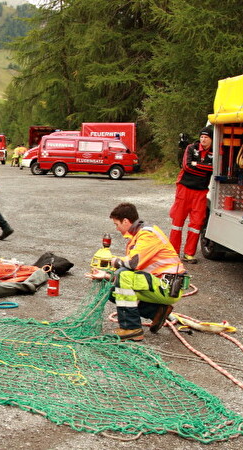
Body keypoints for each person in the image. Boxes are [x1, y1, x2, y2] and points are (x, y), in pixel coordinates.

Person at [86, 202, 187, 341]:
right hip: (157, 283)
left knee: (122, 275)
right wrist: (106, 275)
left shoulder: (147, 235)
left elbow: (132, 264)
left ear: (126, 221)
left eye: (117, 224)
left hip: (168, 286)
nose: (117, 228)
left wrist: (112, 261)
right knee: (112, 289)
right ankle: (157, 312)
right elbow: (133, 272)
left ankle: (131, 328)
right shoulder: (137, 236)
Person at [169, 126, 214, 264]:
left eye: (206, 137)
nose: (203, 139)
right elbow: (187, 166)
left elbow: (214, 168)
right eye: (201, 137)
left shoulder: (215, 152)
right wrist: (203, 167)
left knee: (196, 224)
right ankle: (173, 252)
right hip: (184, 189)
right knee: (177, 221)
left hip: (200, 192)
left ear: (212, 139)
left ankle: (189, 254)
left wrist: (198, 165)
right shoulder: (190, 148)